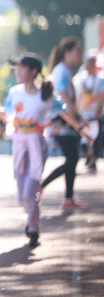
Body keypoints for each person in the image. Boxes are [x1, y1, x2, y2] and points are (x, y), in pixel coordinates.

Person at [0, 53, 54, 247]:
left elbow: (61, 111)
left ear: (33, 71)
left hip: (37, 144)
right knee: (21, 195)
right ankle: (33, 218)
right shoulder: (15, 92)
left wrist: (80, 126)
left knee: (30, 190)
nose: (18, 71)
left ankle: (33, 228)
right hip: (20, 145)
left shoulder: (45, 94)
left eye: (22, 68)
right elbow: (5, 114)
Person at [40, 36, 88, 210]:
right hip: (61, 121)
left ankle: (68, 197)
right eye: (77, 51)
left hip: (65, 120)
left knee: (72, 158)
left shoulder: (64, 70)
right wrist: (76, 116)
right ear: (67, 52)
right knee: (72, 158)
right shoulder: (61, 70)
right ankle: (41, 186)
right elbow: (62, 96)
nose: (79, 54)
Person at [73, 49, 104, 171]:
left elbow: (101, 96)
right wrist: (77, 110)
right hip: (83, 113)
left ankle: (93, 159)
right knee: (82, 136)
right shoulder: (81, 79)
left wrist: (98, 110)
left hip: (94, 113)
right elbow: (79, 95)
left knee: (96, 137)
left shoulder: (100, 80)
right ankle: (89, 156)